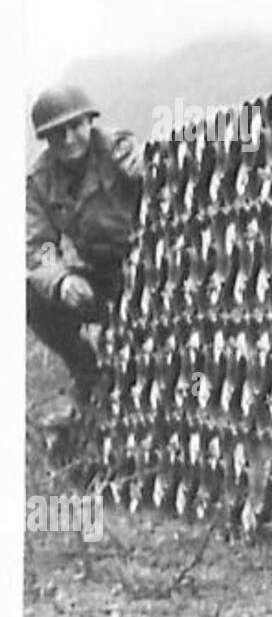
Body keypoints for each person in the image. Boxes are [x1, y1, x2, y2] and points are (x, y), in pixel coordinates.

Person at [26, 86, 144, 405]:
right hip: (102, 278)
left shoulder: (117, 148)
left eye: (75, 127)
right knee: (30, 298)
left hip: (148, 266)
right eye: (56, 134)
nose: (68, 140)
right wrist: (61, 279)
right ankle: (89, 374)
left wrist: (145, 166)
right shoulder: (40, 181)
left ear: (89, 121)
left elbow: (155, 171)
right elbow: (39, 248)